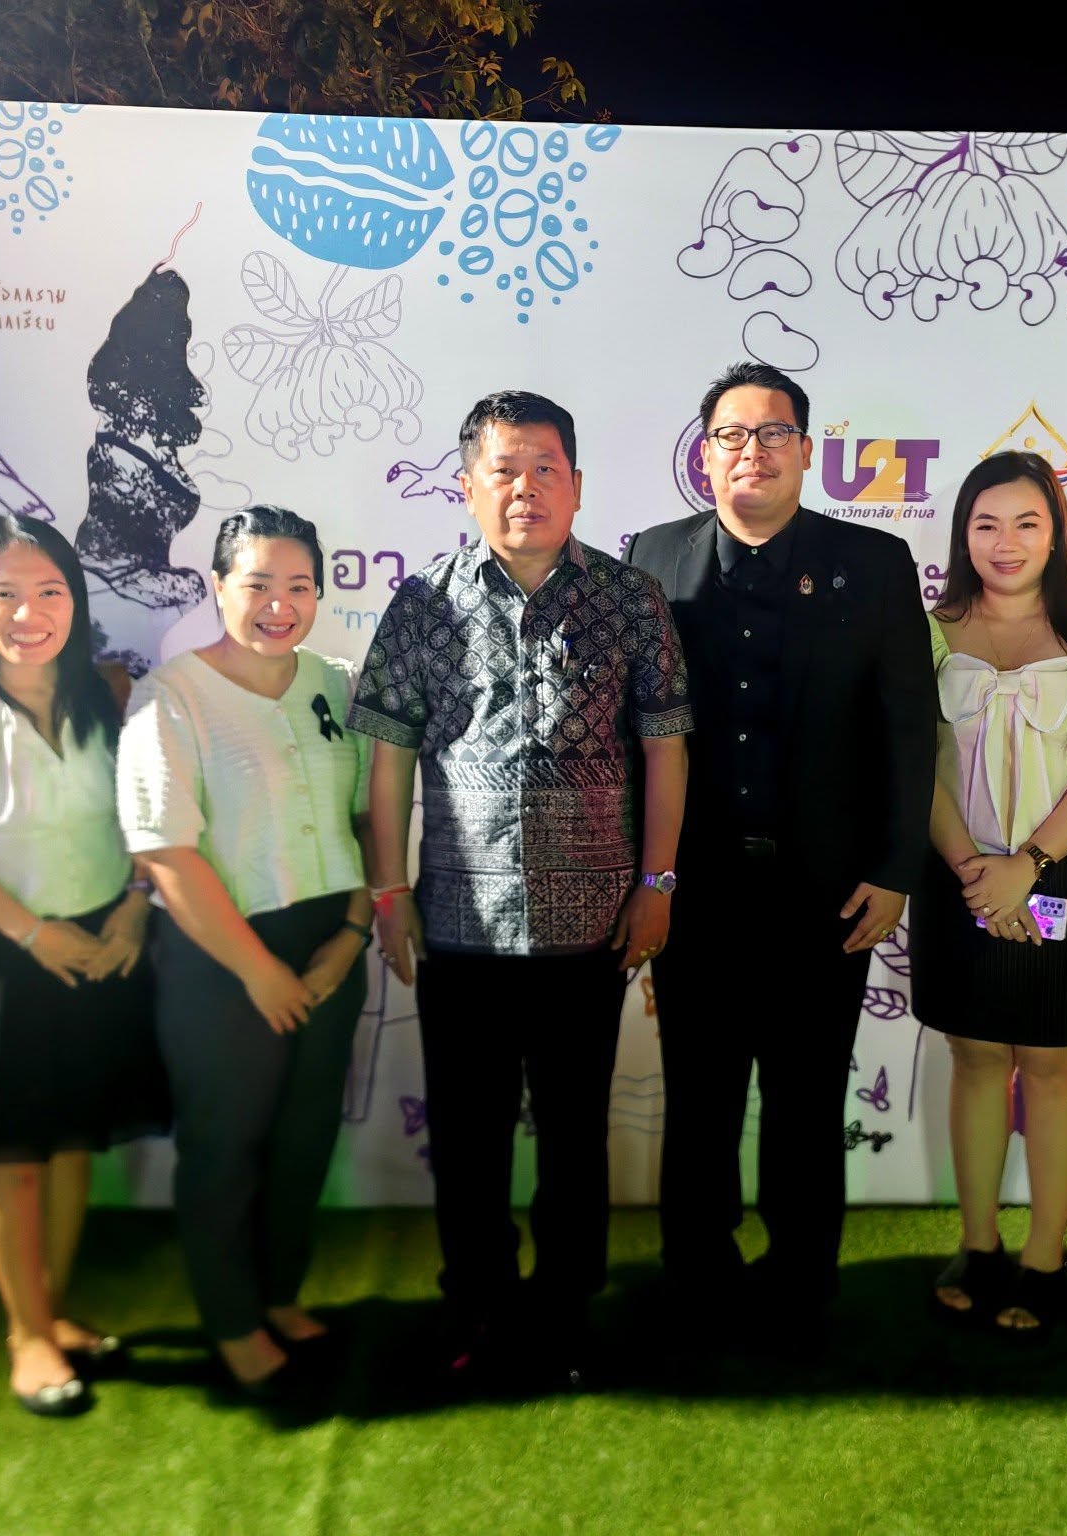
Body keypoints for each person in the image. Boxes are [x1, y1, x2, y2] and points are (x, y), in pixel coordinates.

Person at [349, 390, 691, 1385]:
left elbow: (666, 750)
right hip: (460, 928)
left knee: (576, 1141)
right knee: (468, 1143)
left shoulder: (630, 599)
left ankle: (566, 1312)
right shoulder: (422, 603)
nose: (525, 488)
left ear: (576, 484)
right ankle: (477, 1309)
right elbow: (387, 763)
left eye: (546, 468)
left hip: (594, 929)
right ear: (467, 486)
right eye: (503, 469)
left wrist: (658, 881)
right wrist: (388, 893)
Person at [625, 361, 936, 1336]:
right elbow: (635, 734)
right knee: (700, 1096)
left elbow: (907, 727)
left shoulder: (873, 563)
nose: (749, 452)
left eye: (771, 434)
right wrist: (646, 877)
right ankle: (697, 1273)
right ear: (704, 453)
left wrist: (894, 870)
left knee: (806, 1099)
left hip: (827, 890)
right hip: (696, 889)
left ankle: (803, 1280)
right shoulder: (652, 557)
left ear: (805, 451)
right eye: (730, 435)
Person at [0, 513, 164, 1417]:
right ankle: (26, 1336)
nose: (28, 613)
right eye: (4, 594)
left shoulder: (111, 697)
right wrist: (33, 932)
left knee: (73, 1140)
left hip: (103, 941)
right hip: (6, 954)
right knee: (11, 1158)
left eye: (49, 591)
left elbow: (151, 815)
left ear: (75, 601)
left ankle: (54, 1311)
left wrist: (136, 905)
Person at [117, 505, 376, 1400]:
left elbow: (367, 820)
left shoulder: (336, 684)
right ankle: (232, 1323)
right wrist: (257, 970)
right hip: (222, 956)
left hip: (331, 940)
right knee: (226, 1146)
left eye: (299, 586)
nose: (279, 604)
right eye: (258, 583)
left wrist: (352, 935)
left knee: (304, 1139)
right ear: (218, 586)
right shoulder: (172, 696)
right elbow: (165, 853)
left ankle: (277, 1295)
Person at [912, 452, 1067, 1332]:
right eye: (986, 524)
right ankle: (979, 1245)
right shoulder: (924, 633)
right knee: (976, 1057)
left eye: (1027, 522)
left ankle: (1045, 1259)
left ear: (1057, 533)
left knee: (1053, 1068)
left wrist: (1028, 867)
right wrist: (976, 874)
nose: (1005, 542)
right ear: (963, 534)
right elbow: (916, 762)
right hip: (959, 876)